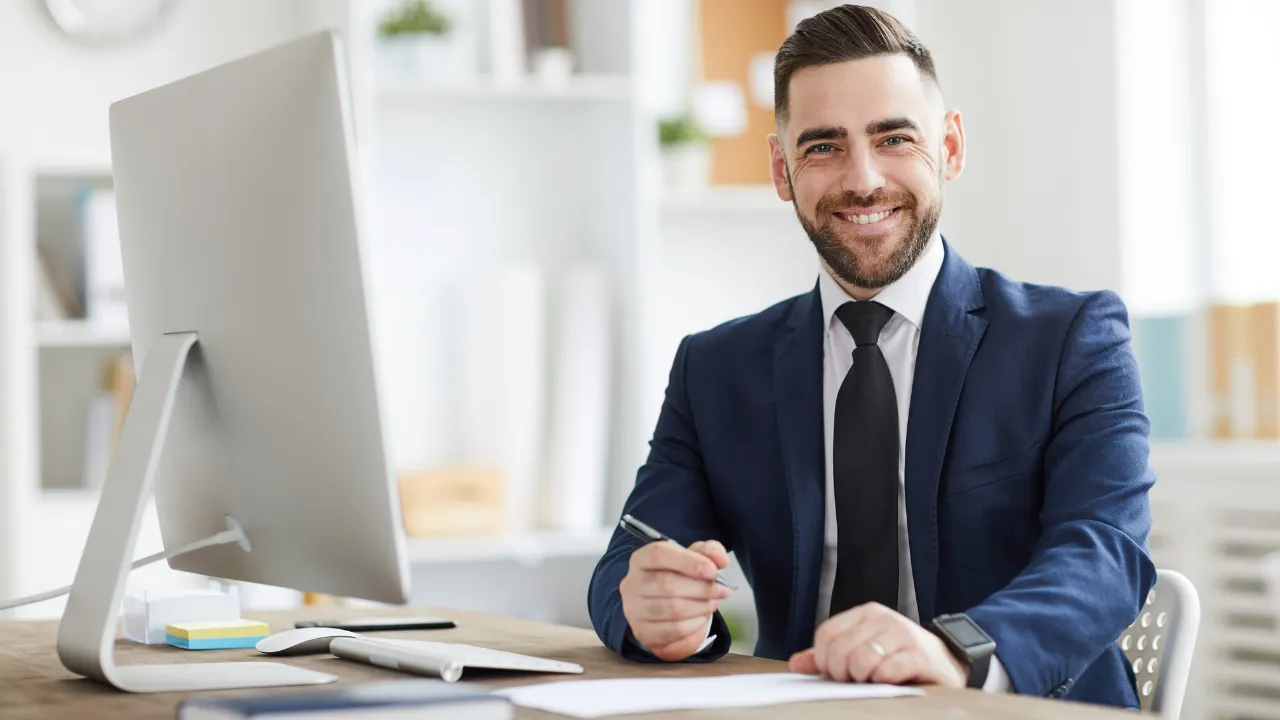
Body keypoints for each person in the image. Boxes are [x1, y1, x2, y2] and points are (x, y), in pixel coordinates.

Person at [588, 3, 1155, 709]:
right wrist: (648, 608)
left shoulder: (1071, 339)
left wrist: (955, 651)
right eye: (823, 146)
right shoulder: (716, 369)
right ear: (780, 168)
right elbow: (628, 559)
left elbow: (1104, 555)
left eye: (893, 139)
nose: (862, 179)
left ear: (949, 146)